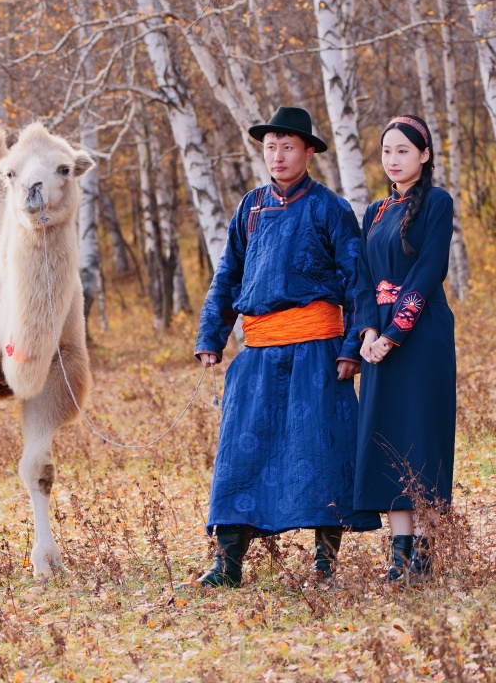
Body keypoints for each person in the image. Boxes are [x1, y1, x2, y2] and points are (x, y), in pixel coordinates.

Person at [187, 106, 381, 589]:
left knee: (320, 450)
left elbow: (358, 281)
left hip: (318, 348)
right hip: (258, 352)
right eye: (270, 146)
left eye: (288, 146)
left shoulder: (331, 209)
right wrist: (212, 335)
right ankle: (227, 563)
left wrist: (351, 348)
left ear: (309, 151)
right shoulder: (249, 207)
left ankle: (324, 563)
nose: (277, 155)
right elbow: (227, 274)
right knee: (240, 454)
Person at [354, 114, 456, 583]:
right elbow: (363, 282)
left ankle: (426, 554)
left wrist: (396, 332)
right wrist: (369, 335)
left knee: (423, 437)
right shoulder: (373, 212)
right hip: (379, 346)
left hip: (422, 338)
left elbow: (429, 270)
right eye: (387, 152)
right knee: (386, 440)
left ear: (425, 154)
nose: (393, 160)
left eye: (403, 151)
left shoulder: (437, 202)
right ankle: (399, 558)